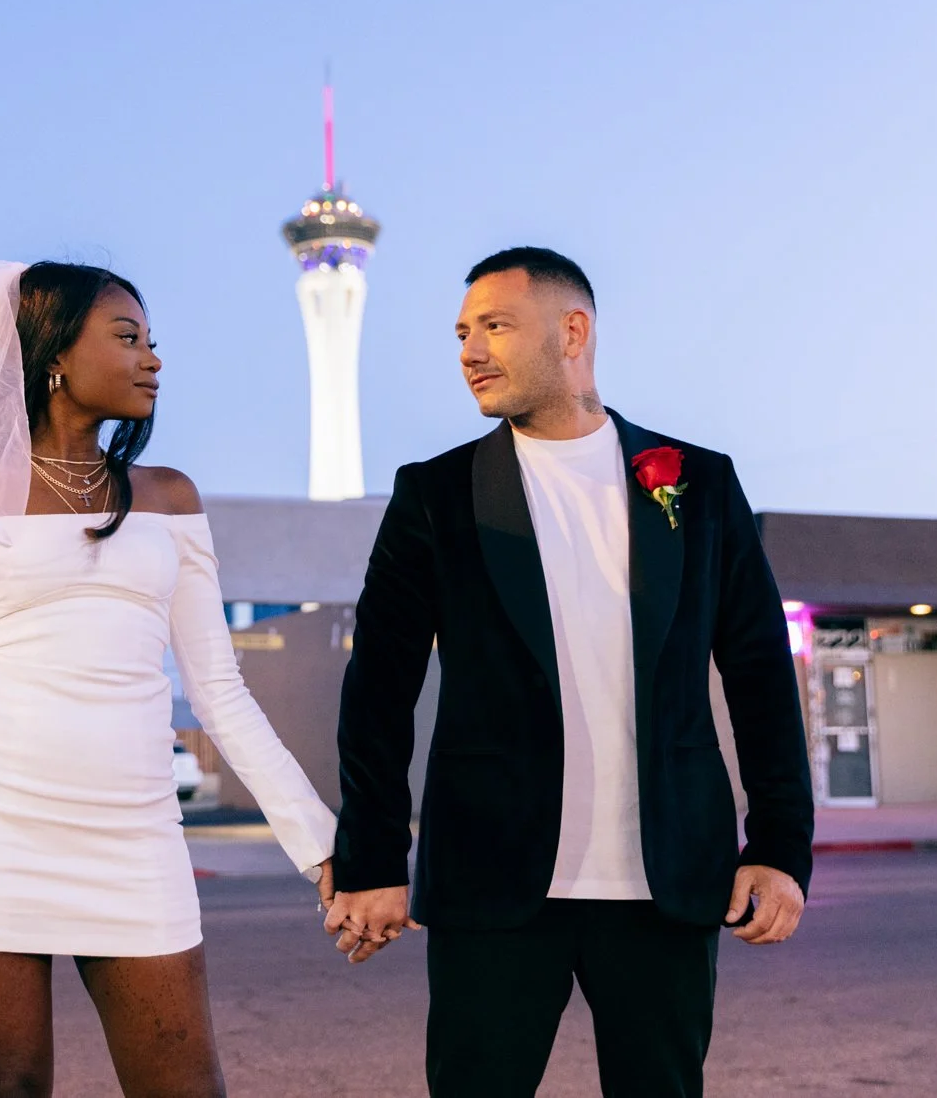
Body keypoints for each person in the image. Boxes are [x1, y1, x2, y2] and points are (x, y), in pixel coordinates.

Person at [0, 263, 336, 1097]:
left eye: (152, 341)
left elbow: (221, 692)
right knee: (4, 1087)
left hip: (136, 838)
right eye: (127, 338)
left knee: (186, 1088)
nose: (152, 359)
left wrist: (322, 847)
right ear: (53, 356)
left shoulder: (167, 497)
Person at [322, 246, 814, 1097]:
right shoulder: (434, 495)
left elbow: (761, 674)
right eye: (462, 333)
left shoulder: (698, 484)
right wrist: (371, 858)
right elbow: (379, 691)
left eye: (497, 327)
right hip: (493, 884)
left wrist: (778, 845)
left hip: (668, 884)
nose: (471, 351)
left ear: (573, 331)